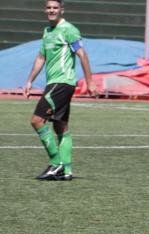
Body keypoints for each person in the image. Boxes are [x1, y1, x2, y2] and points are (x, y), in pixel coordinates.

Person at [23, 0, 97, 181]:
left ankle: (56, 164)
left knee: (37, 120)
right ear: (45, 10)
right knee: (60, 125)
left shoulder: (69, 30)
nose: (51, 10)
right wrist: (29, 81)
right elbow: (41, 57)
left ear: (62, 10)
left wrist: (90, 81)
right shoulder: (47, 32)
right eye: (48, 7)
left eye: (55, 7)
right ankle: (67, 170)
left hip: (63, 82)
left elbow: (82, 54)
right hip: (54, 83)